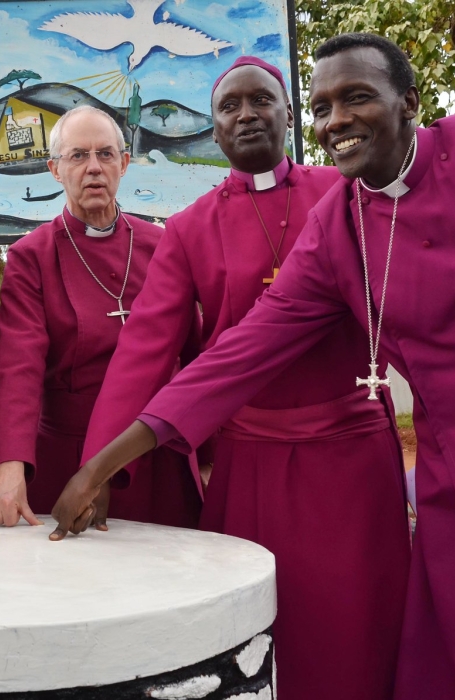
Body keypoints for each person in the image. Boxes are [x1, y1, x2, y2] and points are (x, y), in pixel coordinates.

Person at [55, 32, 455, 700]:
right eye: (323, 108)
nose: (336, 120)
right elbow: (240, 352)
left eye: (356, 98)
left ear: (410, 102)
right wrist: (104, 462)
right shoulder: (340, 225)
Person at [81, 56, 410, 699]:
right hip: (251, 462)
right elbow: (145, 350)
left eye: (261, 100)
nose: (246, 115)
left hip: (352, 458)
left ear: (289, 114)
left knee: (361, 626)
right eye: (229, 108)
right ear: (214, 130)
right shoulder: (189, 228)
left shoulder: (346, 192)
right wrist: (100, 465)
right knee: (259, 633)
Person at [0, 106, 203, 529]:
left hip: (157, 454)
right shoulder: (33, 257)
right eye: (78, 156)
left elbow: (194, 355)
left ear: (124, 164)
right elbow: (17, 364)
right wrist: (9, 464)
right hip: (69, 459)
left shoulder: (163, 246)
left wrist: (207, 456)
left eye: (105, 154)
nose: (94, 168)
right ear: (54, 169)